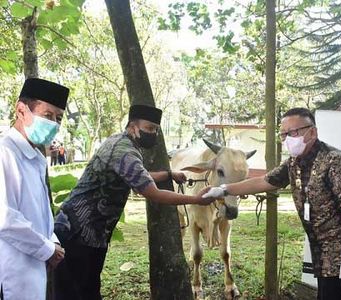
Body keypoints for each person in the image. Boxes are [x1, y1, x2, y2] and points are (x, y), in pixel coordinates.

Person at [203, 107, 341, 300]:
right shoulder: (294, 162)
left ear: (313, 131)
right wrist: (224, 189)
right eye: (284, 134)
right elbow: (265, 181)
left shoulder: (337, 162)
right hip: (324, 257)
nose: (288, 138)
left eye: (294, 132)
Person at [53, 104, 216, 300]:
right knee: (74, 292)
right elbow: (152, 193)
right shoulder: (124, 151)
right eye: (148, 128)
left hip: (92, 232)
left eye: (156, 129)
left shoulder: (120, 142)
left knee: (87, 288)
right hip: (77, 231)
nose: (152, 133)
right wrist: (196, 199)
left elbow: (138, 175)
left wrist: (169, 174)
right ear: (132, 126)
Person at [0, 78, 69, 300]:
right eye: (47, 115)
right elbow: (5, 219)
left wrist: (53, 241)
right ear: (21, 110)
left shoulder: (37, 158)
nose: (54, 124)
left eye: (58, 118)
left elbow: (40, 210)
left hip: (36, 263)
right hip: (11, 266)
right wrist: (47, 249)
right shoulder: (4, 154)